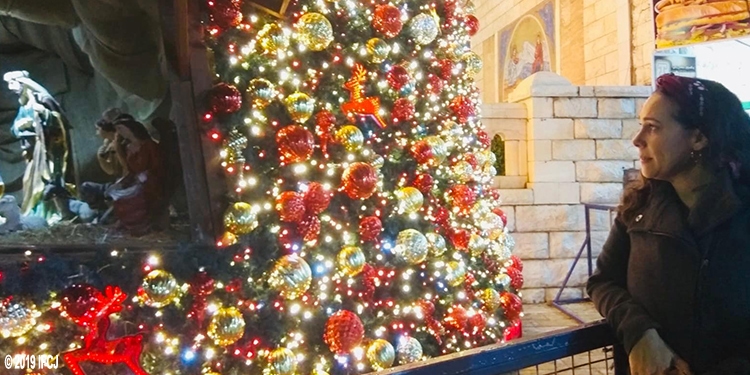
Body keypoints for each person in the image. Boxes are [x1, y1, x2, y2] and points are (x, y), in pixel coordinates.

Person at [587, 74, 750, 375]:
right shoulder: (638, 209)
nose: (637, 140)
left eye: (653, 127)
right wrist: (640, 333)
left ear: (698, 138)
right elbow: (603, 282)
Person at [3, 70, 74, 221]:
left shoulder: (42, 100)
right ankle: (35, 212)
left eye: (13, 84)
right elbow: (14, 128)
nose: (11, 88)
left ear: (24, 84)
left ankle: (56, 213)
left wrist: (45, 114)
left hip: (47, 150)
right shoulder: (24, 107)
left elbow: (60, 121)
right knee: (30, 181)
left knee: (46, 181)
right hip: (33, 152)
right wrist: (20, 126)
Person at [105, 114, 166, 234]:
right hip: (136, 179)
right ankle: (128, 223)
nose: (119, 133)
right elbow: (130, 169)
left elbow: (157, 165)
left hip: (151, 180)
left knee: (134, 198)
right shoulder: (128, 147)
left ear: (130, 129)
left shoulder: (149, 145)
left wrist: (144, 176)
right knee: (116, 193)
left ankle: (141, 225)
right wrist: (122, 181)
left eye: (121, 129)